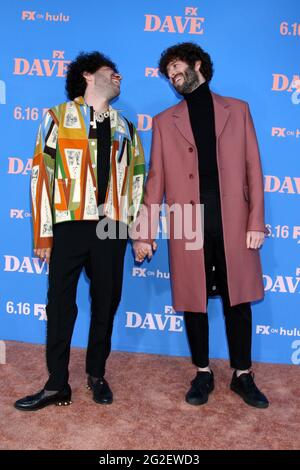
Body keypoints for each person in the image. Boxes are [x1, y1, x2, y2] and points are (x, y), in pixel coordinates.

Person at [133, 42, 269, 408]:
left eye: (178, 68)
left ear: (198, 64)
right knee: (194, 301)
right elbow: (155, 182)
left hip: (235, 221)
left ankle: (243, 375)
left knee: (237, 299)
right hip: (188, 224)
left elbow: (254, 169)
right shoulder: (164, 122)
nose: (174, 77)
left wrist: (257, 220)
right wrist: (144, 232)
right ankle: (202, 372)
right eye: (169, 74)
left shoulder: (238, 110)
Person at [15, 51, 145, 411]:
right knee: (60, 305)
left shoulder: (126, 128)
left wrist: (134, 230)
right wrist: (43, 234)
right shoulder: (58, 117)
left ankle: (96, 374)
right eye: (110, 71)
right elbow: (41, 175)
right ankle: (57, 384)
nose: (118, 75)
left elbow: (136, 183)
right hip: (69, 224)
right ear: (87, 76)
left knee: (106, 303)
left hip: (111, 227)